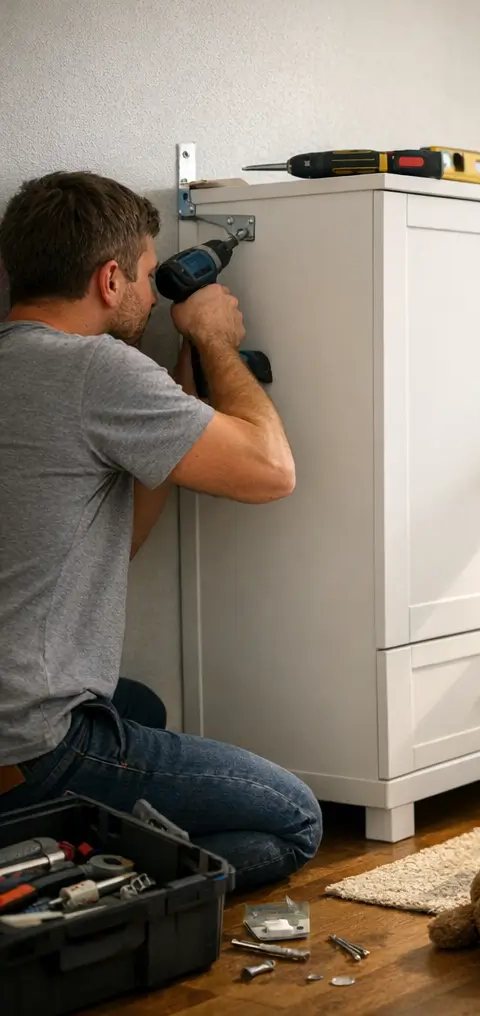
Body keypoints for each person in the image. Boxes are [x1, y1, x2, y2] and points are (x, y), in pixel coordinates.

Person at [0, 171, 322, 891]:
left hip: (10, 725)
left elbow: (114, 539)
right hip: (35, 741)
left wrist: (178, 405)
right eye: (147, 276)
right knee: (293, 819)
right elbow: (272, 471)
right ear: (109, 279)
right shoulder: (95, 368)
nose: (150, 297)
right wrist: (213, 341)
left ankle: (47, 840)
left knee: (137, 704)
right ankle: (81, 887)